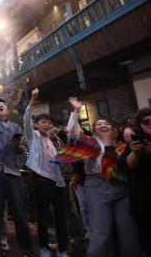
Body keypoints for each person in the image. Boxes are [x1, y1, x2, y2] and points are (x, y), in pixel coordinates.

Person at [66, 97, 141, 257]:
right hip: (97, 188)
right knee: (101, 233)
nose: (102, 125)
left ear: (115, 129)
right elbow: (72, 132)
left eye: (106, 123)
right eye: (98, 124)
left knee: (128, 232)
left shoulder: (122, 145)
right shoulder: (89, 143)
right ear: (94, 130)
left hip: (122, 188)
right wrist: (76, 111)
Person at [0, 69, 34, 257]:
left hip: (13, 173)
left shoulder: (16, 127)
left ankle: (27, 249)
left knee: (20, 214)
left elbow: (22, 151)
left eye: (3, 104)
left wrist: (18, 147)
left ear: (7, 110)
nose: (1, 105)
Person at [24, 89, 68, 257]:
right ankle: (43, 247)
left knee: (60, 216)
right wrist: (33, 99)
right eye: (44, 122)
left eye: (50, 123)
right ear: (37, 124)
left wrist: (59, 145)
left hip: (58, 181)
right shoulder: (32, 136)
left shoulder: (54, 139)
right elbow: (26, 119)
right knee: (43, 215)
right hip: (42, 179)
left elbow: (64, 157)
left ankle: (63, 249)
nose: (48, 125)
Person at [118, 107, 151, 257]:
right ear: (140, 125)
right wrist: (136, 152)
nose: (150, 124)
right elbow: (125, 167)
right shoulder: (136, 140)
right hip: (144, 199)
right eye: (146, 122)